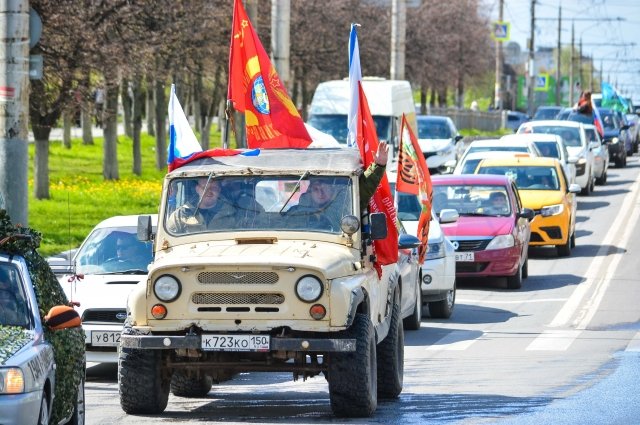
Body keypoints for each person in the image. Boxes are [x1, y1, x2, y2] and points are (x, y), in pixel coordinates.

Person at [167, 178, 236, 234]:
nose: (209, 191)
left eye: (214, 188)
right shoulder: (180, 215)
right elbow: (170, 242)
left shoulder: (233, 213)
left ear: (219, 190)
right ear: (197, 189)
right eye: (204, 188)